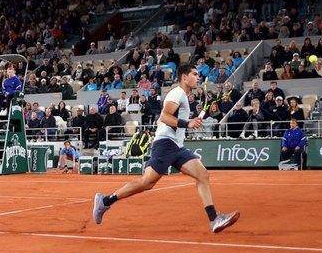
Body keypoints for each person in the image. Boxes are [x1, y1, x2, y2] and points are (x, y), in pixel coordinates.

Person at [92, 64, 239, 233]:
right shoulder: (177, 93)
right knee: (146, 183)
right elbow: (164, 116)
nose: (198, 77)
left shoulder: (184, 96)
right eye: (195, 74)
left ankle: (214, 220)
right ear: (184, 77)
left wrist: (189, 123)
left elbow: (174, 119)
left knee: (202, 175)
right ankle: (105, 202)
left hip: (176, 146)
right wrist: (187, 123)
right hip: (165, 144)